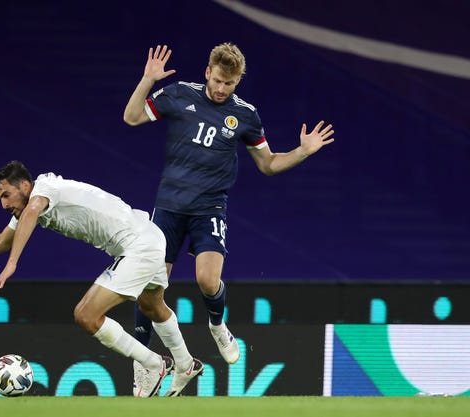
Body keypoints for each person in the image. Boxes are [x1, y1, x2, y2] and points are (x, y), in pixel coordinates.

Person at [123, 44, 335, 373]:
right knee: (151, 290)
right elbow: (132, 116)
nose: (222, 89)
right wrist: (147, 80)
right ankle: (144, 366)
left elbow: (268, 165)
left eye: (230, 83)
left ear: (238, 82)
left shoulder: (245, 115)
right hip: (169, 207)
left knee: (208, 281)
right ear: (208, 72)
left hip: (209, 207)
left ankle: (218, 326)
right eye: (219, 80)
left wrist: (302, 151)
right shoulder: (179, 94)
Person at [0, 160, 204, 397]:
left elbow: (30, 213)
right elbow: (1, 240)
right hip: (149, 236)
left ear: (25, 186)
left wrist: (13, 264)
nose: (4, 204)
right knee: (152, 305)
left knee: (86, 314)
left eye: (6, 195)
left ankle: (153, 363)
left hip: (138, 244)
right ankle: (185, 363)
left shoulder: (44, 189)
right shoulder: (31, 205)